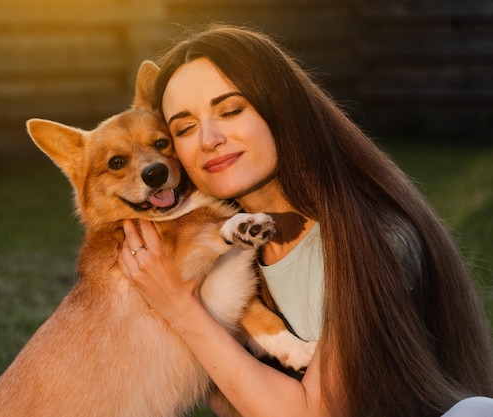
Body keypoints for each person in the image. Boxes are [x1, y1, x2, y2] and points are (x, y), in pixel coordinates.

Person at [117, 24, 493, 417]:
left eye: (230, 110)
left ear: (280, 109)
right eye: (184, 128)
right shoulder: (227, 255)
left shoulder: (374, 239)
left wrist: (182, 309)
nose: (209, 139)